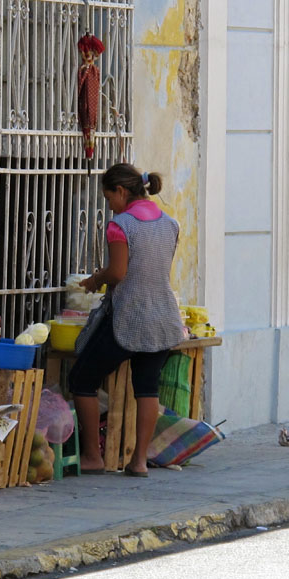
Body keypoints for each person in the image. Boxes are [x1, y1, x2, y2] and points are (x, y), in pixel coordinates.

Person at [68, 163, 184, 478]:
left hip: (129, 316)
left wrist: (96, 279)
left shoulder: (120, 225)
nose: (109, 206)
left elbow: (119, 273)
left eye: (109, 199)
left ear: (121, 191)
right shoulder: (170, 223)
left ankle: (92, 457)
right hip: (163, 316)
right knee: (147, 388)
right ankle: (139, 461)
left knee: (82, 380)